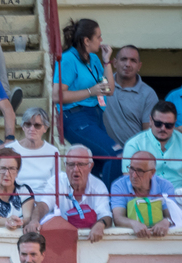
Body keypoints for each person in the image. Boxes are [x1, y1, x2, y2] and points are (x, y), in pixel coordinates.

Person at [52, 18, 115, 178]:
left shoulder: (94, 58)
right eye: (98, 37)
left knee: (98, 165)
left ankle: (95, 200)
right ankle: (112, 202)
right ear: (87, 40)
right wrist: (90, 91)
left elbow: (109, 90)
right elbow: (56, 95)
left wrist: (107, 61)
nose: (101, 40)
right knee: (116, 154)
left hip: (96, 116)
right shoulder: (68, 59)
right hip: (76, 117)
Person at [32, 145, 112, 243]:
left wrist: (100, 224)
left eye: (81, 164)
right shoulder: (56, 181)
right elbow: (44, 205)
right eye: (71, 164)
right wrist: (34, 220)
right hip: (59, 239)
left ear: (90, 166)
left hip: (89, 241)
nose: (75, 169)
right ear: (65, 166)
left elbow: (106, 215)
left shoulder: (99, 186)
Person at [121, 101, 182, 189]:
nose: (163, 128)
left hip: (179, 198)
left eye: (168, 125)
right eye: (158, 124)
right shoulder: (134, 144)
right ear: (150, 120)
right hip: (145, 198)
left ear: (174, 124)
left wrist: (175, 198)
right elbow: (129, 181)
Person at [102, 45, 158, 148]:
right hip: (104, 153)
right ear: (114, 63)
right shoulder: (102, 85)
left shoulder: (148, 94)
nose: (127, 64)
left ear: (139, 66)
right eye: (123, 59)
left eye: (133, 60)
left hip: (134, 157)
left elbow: (149, 134)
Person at [110, 151, 176, 238]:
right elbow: (118, 218)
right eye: (131, 168)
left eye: (140, 171)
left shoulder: (165, 186)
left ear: (152, 173)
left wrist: (166, 222)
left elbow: (172, 216)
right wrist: (134, 224)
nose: (133, 175)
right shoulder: (119, 185)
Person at [4, 107, 58, 194]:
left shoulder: (53, 151)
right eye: (28, 124)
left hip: (44, 198)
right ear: (23, 127)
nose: (32, 129)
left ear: (45, 128)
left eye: (37, 125)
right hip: (17, 196)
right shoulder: (10, 149)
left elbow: (56, 183)